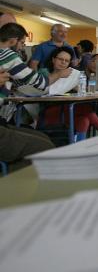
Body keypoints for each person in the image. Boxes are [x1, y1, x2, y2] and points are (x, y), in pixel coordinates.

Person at [0, 23, 68, 168]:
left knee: (42, 138)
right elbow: (40, 83)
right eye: (22, 43)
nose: (22, 48)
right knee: (43, 146)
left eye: (66, 61)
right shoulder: (7, 55)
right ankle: (13, 185)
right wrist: (59, 74)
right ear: (13, 41)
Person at [41, 47, 98, 140]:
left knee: (84, 120)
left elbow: (83, 90)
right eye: (60, 59)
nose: (63, 62)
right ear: (53, 59)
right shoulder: (44, 72)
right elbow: (43, 89)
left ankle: (79, 149)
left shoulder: (71, 75)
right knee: (85, 109)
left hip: (67, 111)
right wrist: (59, 75)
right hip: (49, 111)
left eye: (66, 61)